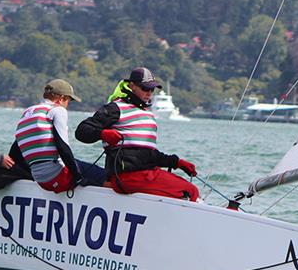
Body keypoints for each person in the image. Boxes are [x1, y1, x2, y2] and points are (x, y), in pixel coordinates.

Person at [75, 67, 200, 201]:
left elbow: (148, 155)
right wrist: (102, 133)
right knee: (188, 192)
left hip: (147, 174)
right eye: (145, 88)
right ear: (132, 86)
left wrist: (176, 162)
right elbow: (82, 131)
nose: (149, 93)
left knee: (192, 190)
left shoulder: (147, 113)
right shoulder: (115, 108)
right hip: (127, 177)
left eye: (152, 89)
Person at [14, 79, 106, 193]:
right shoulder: (58, 110)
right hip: (58, 177)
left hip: (40, 179)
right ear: (61, 98)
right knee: (102, 175)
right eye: (68, 101)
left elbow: (16, 151)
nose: (67, 105)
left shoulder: (28, 112)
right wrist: (78, 177)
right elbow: (63, 147)